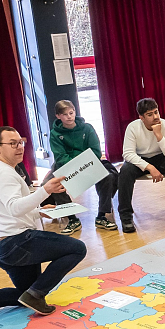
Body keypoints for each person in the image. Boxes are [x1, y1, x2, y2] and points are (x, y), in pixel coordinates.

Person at [0, 126, 87, 327]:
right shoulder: (3, 173)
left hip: (1, 245)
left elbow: (10, 209)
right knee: (78, 249)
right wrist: (44, 190)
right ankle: (36, 294)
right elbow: (15, 208)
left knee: (25, 295)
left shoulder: (3, 170)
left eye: (21, 142)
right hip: (15, 242)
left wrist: (38, 211)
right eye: (13, 143)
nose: (19, 147)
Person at [44, 100, 119, 233]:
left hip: (89, 163)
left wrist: (84, 164)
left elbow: (96, 151)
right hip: (67, 166)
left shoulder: (87, 128)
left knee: (108, 176)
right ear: (58, 116)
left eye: (71, 113)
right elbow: (60, 156)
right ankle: (72, 219)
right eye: (65, 114)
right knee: (53, 183)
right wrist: (76, 166)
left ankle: (102, 215)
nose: (69, 116)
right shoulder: (55, 134)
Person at [117, 98, 165, 233]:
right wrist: (149, 167)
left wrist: (159, 135)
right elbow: (127, 154)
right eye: (150, 114)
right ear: (142, 118)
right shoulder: (133, 127)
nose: (155, 117)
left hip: (162, 157)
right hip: (140, 159)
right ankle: (125, 215)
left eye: (156, 112)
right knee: (125, 170)